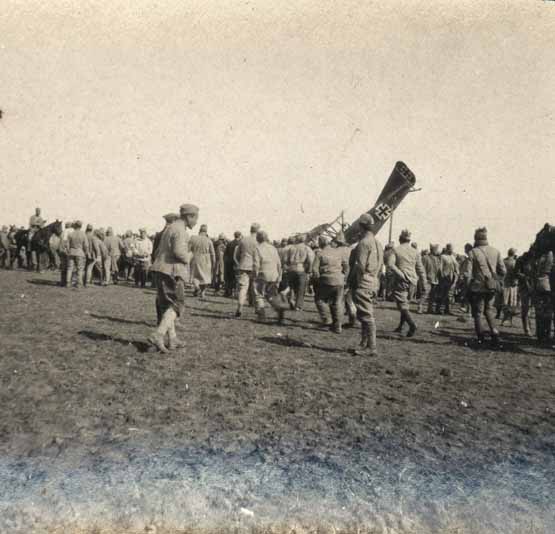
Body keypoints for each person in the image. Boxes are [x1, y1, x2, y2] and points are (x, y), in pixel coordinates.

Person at [148, 204, 199, 353]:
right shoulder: (181, 230)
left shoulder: (170, 227)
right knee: (177, 305)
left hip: (161, 269)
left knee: (166, 306)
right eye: (195, 218)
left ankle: (173, 339)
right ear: (189, 216)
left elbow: (158, 251)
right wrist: (190, 255)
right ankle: (158, 335)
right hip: (172, 272)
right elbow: (179, 253)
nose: (196, 222)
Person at [348, 214, 384, 356]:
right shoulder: (377, 243)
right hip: (374, 280)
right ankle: (364, 343)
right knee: (364, 314)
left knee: (366, 315)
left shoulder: (363, 243)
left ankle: (371, 347)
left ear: (361, 226)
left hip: (363, 281)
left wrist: (350, 281)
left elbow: (360, 266)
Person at [465, 227, 506, 346]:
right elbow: (503, 271)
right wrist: (495, 280)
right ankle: (495, 334)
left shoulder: (472, 252)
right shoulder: (496, 251)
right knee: (489, 310)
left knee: (478, 312)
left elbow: (467, 273)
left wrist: (467, 287)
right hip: (491, 286)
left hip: (477, 287)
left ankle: (481, 337)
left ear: (475, 239)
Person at [387, 229, 427, 337]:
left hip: (401, 280)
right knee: (405, 304)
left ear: (400, 239)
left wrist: (400, 274)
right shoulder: (415, 252)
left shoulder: (395, 250)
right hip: (413, 281)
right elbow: (420, 269)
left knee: (402, 305)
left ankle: (412, 325)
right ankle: (401, 326)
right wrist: (423, 282)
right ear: (409, 240)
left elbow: (390, 264)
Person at [312, 235, 349, 333]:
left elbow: (314, 269)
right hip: (339, 280)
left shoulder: (320, 253)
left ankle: (327, 320)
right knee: (337, 303)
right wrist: (344, 277)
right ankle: (337, 326)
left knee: (319, 300)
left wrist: (317, 279)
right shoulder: (339, 253)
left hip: (326, 280)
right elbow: (346, 266)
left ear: (320, 244)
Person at [253, 230, 282, 322]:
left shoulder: (257, 248)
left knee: (259, 295)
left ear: (258, 238)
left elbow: (256, 264)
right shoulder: (273, 248)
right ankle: (279, 309)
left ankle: (261, 316)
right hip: (274, 274)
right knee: (271, 295)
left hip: (262, 274)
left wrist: (254, 275)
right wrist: (279, 275)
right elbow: (278, 263)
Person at [233, 223, 260, 317]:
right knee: (255, 288)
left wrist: (239, 262)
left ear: (250, 229)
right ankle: (257, 308)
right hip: (255, 267)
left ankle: (239, 307)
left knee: (243, 288)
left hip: (243, 266)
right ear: (258, 231)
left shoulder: (243, 240)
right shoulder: (259, 241)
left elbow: (237, 254)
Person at [285, 234, 312, 311]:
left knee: (291, 286)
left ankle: (291, 300)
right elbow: (310, 260)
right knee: (301, 288)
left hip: (291, 268)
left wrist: (288, 267)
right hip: (301, 268)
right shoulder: (306, 248)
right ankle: (298, 306)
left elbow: (286, 259)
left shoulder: (291, 248)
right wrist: (309, 270)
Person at [189, 224, 216, 300]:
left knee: (195, 275)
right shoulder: (209, 240)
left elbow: (188, 249)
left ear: (199, 230)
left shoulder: (193, 238)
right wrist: (213, 262)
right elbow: (212, 253)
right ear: (206, 231)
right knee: (205, 277)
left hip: (195, 258)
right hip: (206, 260)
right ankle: (202, 293)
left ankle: (196, 287)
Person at [66, 221, 89, 289]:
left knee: (70, 268)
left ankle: (68, 283)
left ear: (75, 226)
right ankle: (79, 284)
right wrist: (86, 252)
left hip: (71, 252)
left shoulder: (70, 234)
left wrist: (68, 251)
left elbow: (67, 245)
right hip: (80, 252)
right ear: (81, 226)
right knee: (80, 269)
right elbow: (86, 245)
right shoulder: (83, 234)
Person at [438, 243, 459, 315]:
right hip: (444, 278)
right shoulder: (443, 257)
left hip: (452, 278)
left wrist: (457, 274)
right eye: (450, 249)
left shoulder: (453, 257)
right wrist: (441, 276)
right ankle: (440, 309)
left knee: (450, 295)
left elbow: (456, 267)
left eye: (452, 249)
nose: (451, 250)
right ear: (447, 249)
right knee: (443, 294)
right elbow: (440, 268)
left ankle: (448, 309)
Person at [224, 231, 242, 298]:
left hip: (229, 263)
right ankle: (235, 293)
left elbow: (225, 254)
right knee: (235, 278)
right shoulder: (240, 243)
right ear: (239, 236)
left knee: (229, 278)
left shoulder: (230, 243)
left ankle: (228, 292)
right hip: (236, 263)